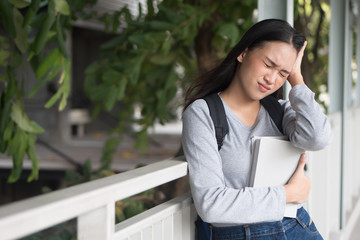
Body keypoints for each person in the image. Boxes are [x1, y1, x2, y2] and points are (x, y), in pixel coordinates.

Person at [181, 19, 332, 240]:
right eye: (268, 64)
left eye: (282, 73)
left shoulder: (279, 111)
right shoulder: (203, 113)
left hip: (296, 227)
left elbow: (318, 138)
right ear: (243, 53)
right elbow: (211, 204)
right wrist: (287, 194)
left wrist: (297, 80)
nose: (271, 79)